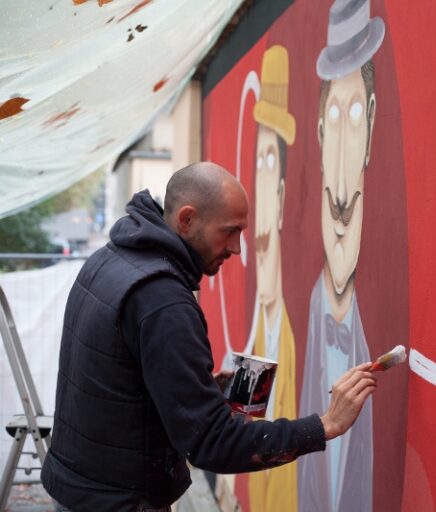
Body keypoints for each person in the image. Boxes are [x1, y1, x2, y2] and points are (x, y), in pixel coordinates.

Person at [41, 162, 376, 512]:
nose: (237, 248)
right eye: (230, 231)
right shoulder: (163, 302)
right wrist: (325, 425)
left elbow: (114, 379)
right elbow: (210, 443)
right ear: (187, 220)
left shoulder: (109, 259)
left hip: (80, 486)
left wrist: (192, 391)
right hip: (117, 501)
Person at [298, 1, 384, 511]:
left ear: (372, 126)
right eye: (335, 115)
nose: (344, 149)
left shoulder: (378, 320)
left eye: (356, 114)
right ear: (319, 131)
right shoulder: (310, 313)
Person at [242, 44, 301, 512]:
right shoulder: (256, 337)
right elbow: (229, 436)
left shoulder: (297, 338)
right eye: (254, 168)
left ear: (280, 194)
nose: (258, 195)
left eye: (268, 166)